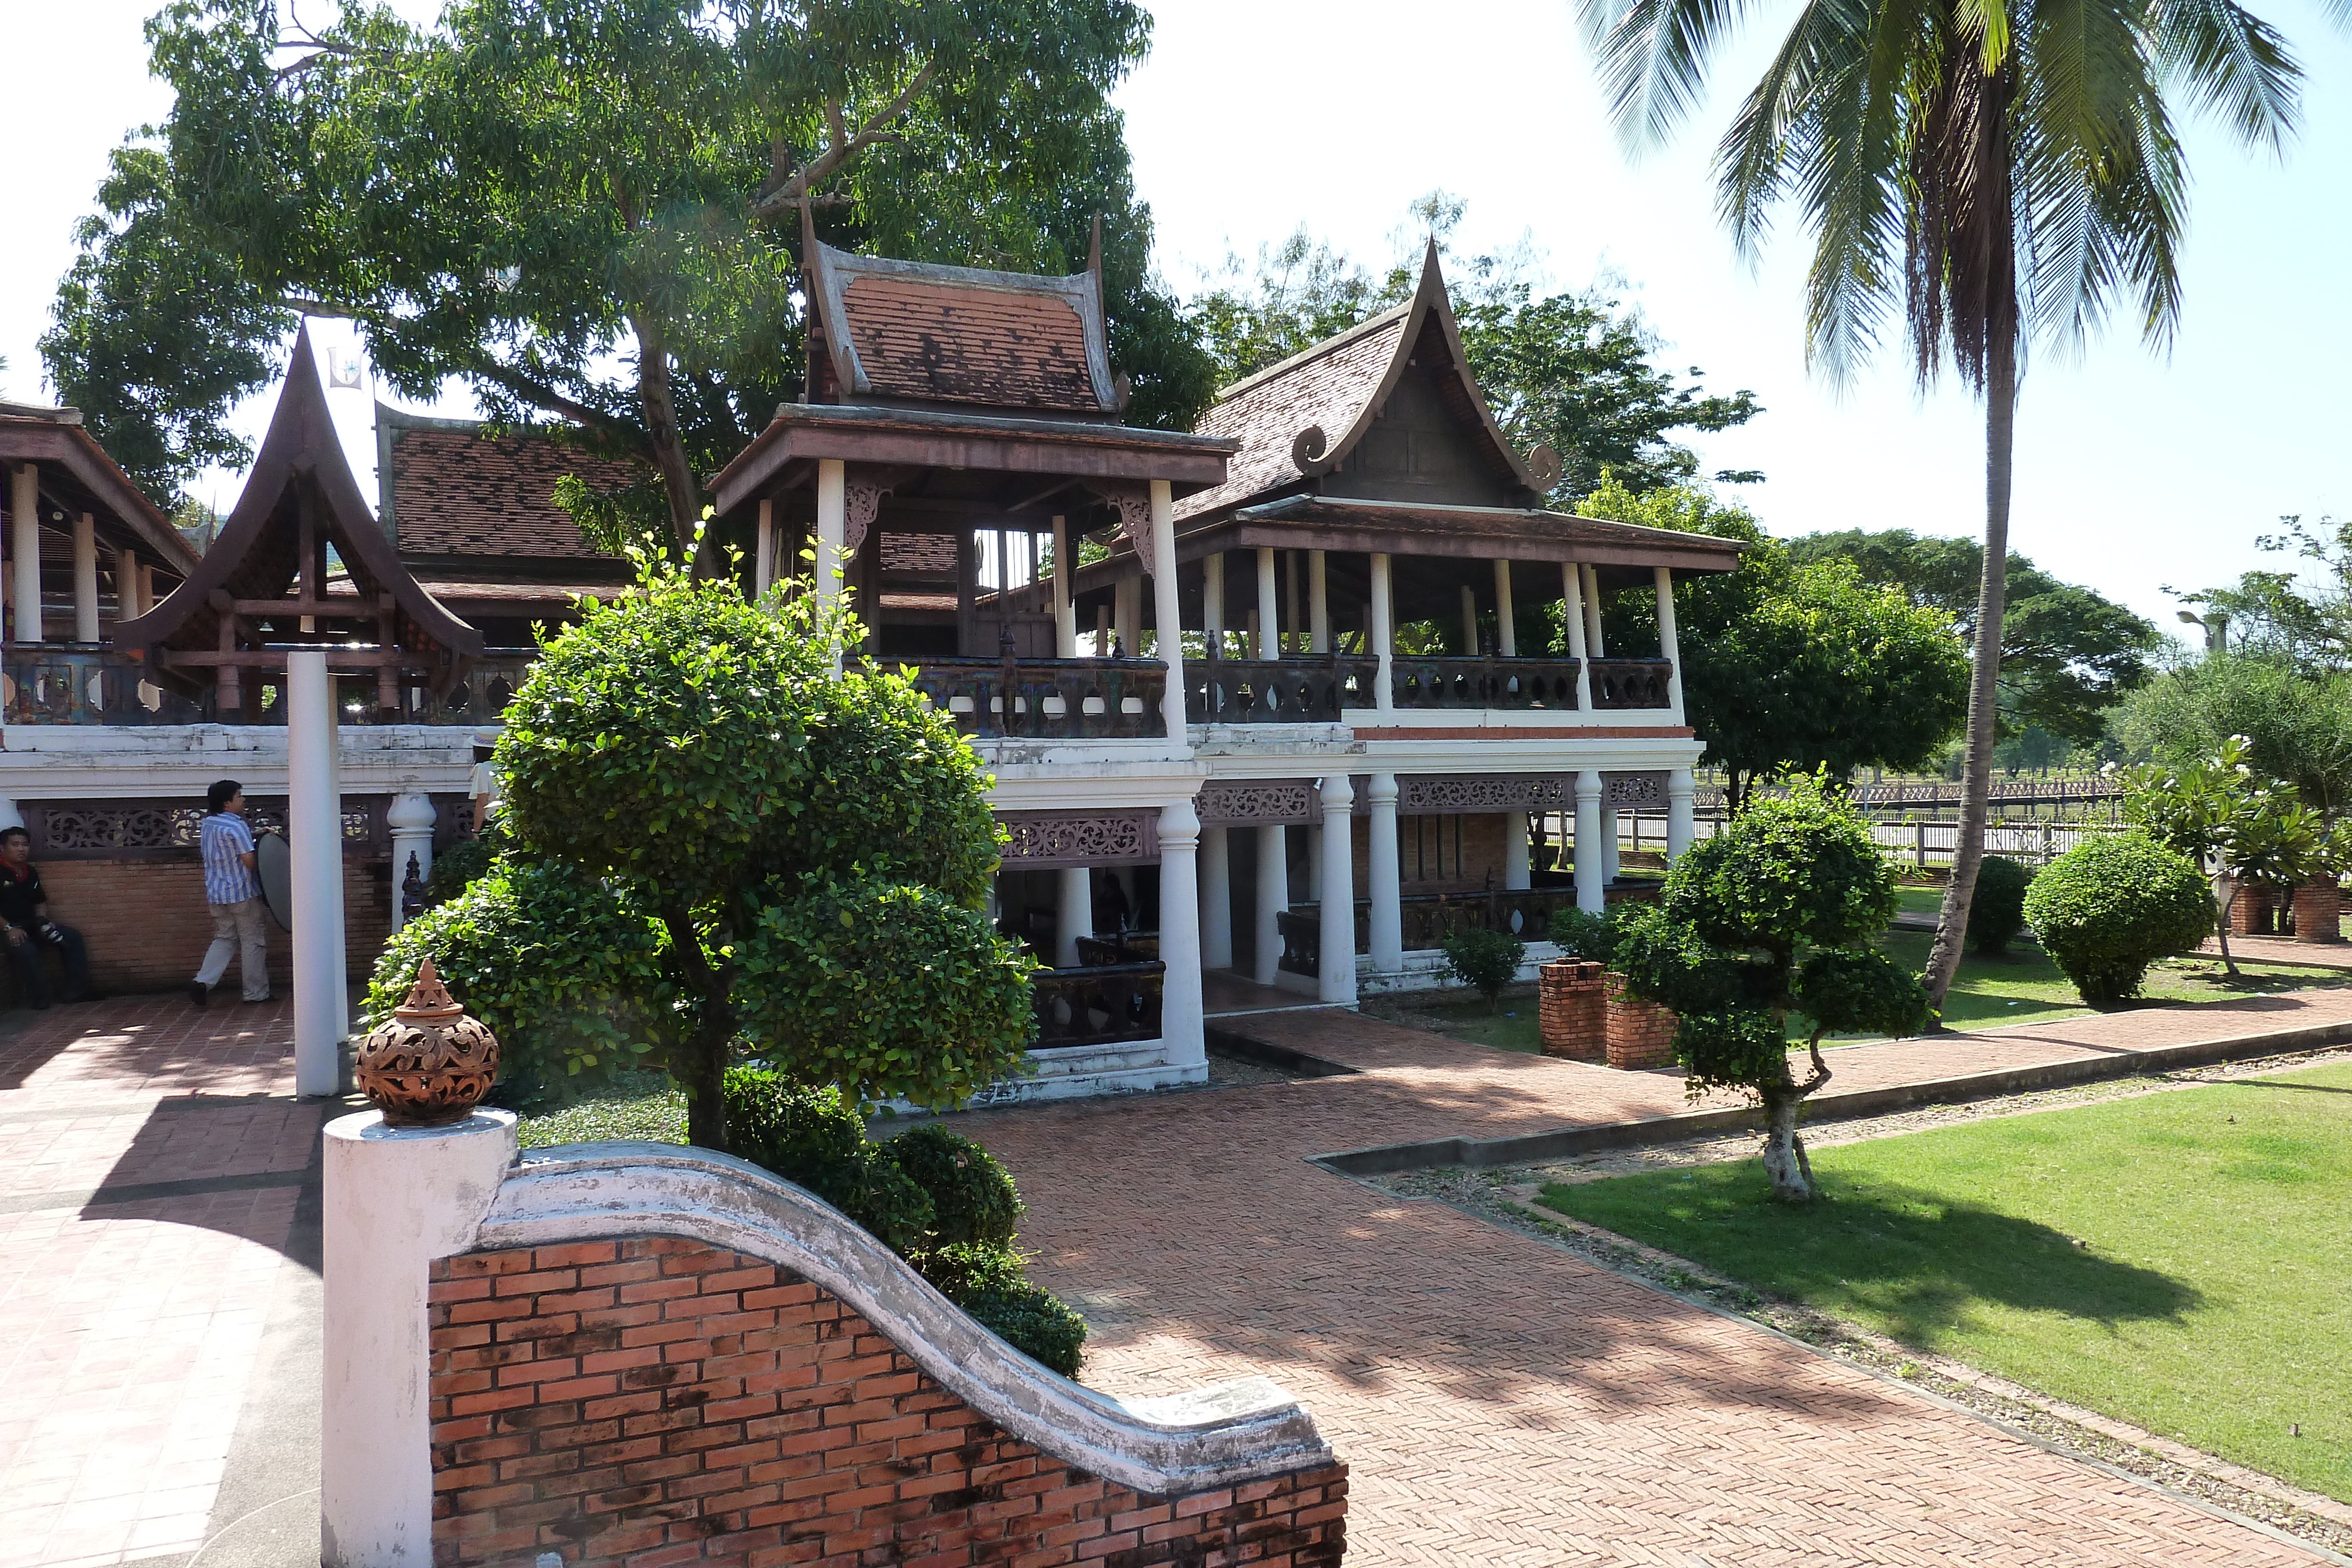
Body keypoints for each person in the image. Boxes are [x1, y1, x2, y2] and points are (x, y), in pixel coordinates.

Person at [192, 780, 271, 1006]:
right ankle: (256, 993)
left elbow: (226, 845)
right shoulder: (237, 827)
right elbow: (249, 861)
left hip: (217, 893)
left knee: (224, 938)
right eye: (239, 796)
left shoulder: (208, 824)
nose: (242, 800)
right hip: (242, 893)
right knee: (253, 941)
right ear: (227, 803)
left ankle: (203, 982)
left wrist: (256, 834)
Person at [0, 827, 91, 1008]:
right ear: (2, 848)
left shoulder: (30, 871)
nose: (21, 849)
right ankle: (41, 1001)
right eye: (15, 845)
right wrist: (9, 928)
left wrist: (42, 921)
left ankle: (76, 991)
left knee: (72, 937)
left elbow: (40, 900)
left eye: (24, 845)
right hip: (6, 930)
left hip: (31, 924)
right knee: (28, 951)